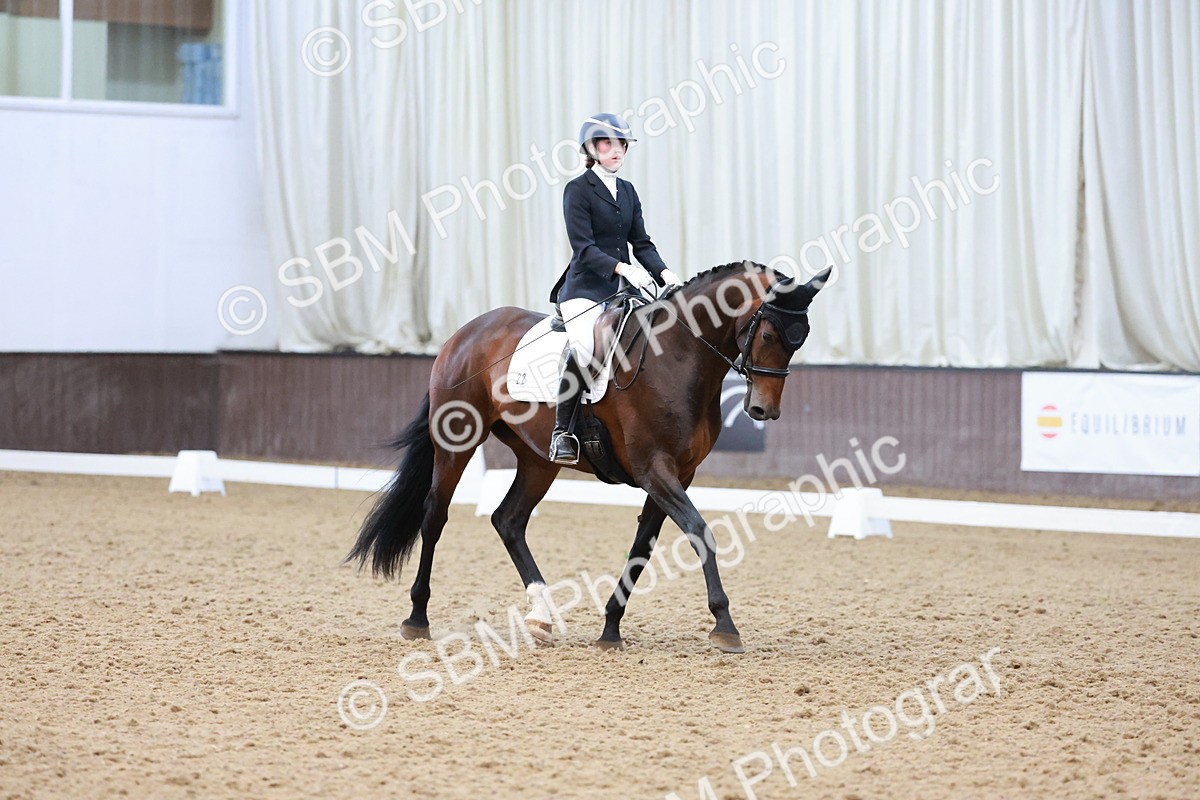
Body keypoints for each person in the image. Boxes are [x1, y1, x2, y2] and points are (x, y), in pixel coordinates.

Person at [546, 113, 684, 464]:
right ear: (591, 149)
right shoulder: (577, 190)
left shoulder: (628, 191)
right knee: (587, 347)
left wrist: (667, 275)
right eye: (607, 143)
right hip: (585, 290)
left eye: (621, 143)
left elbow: (642, 242)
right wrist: (623, 268)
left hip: (624, 290)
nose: (616, 150)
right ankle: (562, 432)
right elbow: (584, 248)